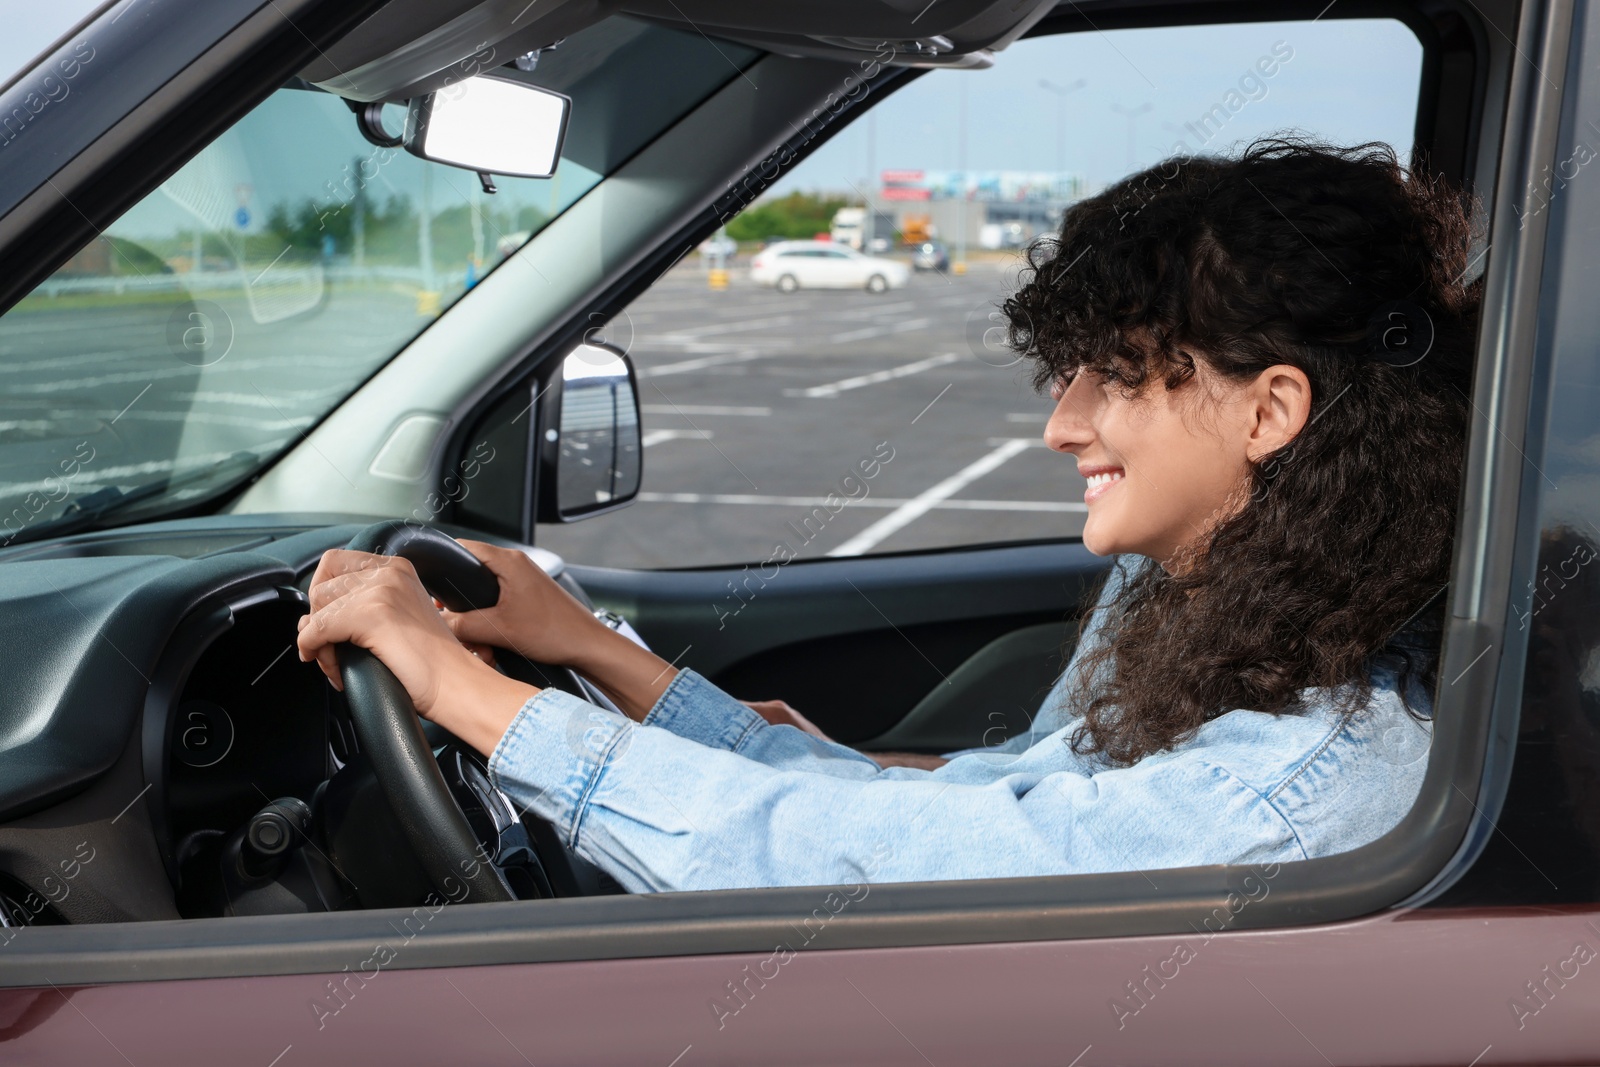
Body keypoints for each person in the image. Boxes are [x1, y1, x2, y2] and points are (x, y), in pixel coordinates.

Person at [296, 140, 1481, 891]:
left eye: (1113, 376)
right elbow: (980, 811)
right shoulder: (1224, 612)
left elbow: (859, 872)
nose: (1061, 426)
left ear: (1270, 410)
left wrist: (464, 696)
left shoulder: (1291, 790)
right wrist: (588, 647)